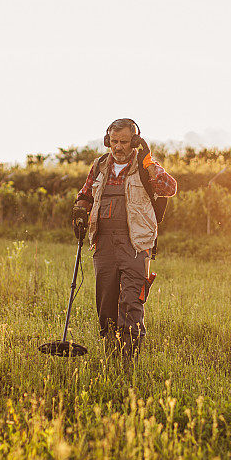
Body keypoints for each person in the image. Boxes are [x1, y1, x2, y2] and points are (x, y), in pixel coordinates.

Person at [71, 118, 177, 366]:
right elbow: (85, 195)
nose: (118, 147)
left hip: (136, 244)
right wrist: (79, 211)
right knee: (105, 303)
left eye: (124, 142)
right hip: (104, 244)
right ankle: (111, 353)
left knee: (131, 301)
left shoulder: (144, 165)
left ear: (135, 142)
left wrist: (150, 163)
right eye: (114, 141)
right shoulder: (99, 166)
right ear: (108, 140)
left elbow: (170, 188)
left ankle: (128, 358)